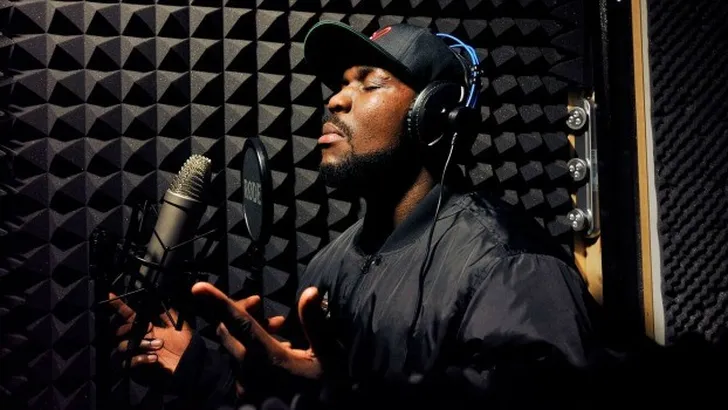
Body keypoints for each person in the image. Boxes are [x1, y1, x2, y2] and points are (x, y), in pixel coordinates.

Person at [109, 20, 609, 410]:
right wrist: (211, 373)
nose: (335, 99)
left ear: (434, 115)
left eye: (369, 83)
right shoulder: (330, 265)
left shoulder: (510, 268)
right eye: (339, 83)